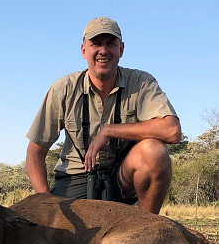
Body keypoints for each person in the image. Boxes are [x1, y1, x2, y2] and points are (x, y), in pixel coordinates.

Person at [26, 17, 181, 214]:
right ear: (83, 50)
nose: (103, 51)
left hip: (121, 178)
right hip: (75, 178)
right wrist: (46, 202)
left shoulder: (141, 82)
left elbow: (172, 131)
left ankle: (146, 228)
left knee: (155, 152)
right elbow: (35, 151)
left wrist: (110, 131)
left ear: (121, 49)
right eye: (96, 44)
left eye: (111, 44)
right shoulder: (62, 89)